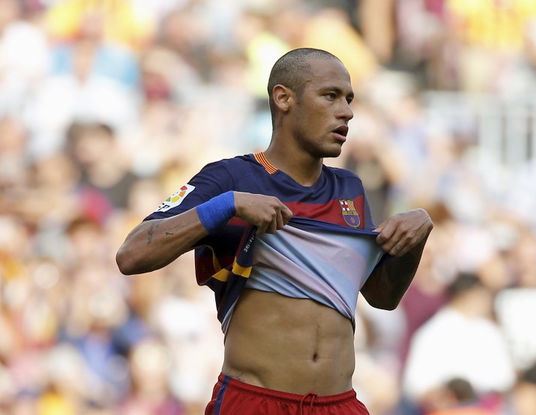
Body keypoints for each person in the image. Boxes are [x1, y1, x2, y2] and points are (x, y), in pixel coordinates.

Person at [116, 48, 433, 415]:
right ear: (284, 98)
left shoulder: (350, 188)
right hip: (256, 403)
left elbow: (381, 296)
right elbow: (132, 254)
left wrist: (412, 243)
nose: (346, 111)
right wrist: (228, 205)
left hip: (339, 404)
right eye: (330, 96)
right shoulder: (230, 178)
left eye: (348, 99)